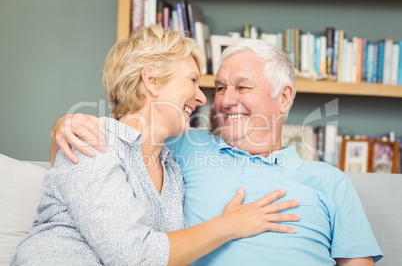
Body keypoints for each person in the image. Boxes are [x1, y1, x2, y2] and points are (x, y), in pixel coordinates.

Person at [50, 39, 383, 265]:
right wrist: (64, 125)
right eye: (220, 87)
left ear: (284, 97)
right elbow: (101, 148)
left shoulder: (329, 181)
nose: (224, 100)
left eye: (242, 86)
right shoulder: (183, 146)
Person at [12, 25, 301, 266]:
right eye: (192, 80)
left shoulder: (172, 171)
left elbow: (172, 252)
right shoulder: (93, 140)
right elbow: (133, 256)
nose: (203, 98)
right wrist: (230, 225)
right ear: (150, 81)